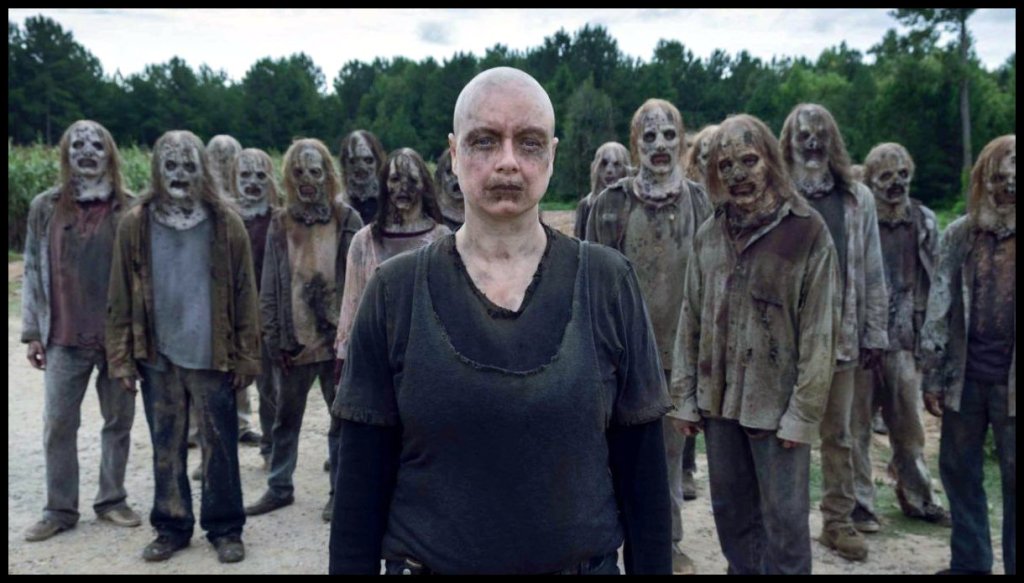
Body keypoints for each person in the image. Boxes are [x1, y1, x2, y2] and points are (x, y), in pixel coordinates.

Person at [329, 67, 672, 575]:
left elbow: (644, 479)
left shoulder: (608, 283)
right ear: (454, 153)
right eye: (484, 141)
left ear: (552, 155)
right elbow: (359, 488)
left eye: (529, 143)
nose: (507, 161)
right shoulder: (394, 292)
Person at [669, 113, 838, 574]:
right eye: (725, 166)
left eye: (748, 160)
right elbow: (691, 318)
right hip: (720, 407)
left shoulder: (808, 232)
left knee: (785, 526)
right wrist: (684, 398)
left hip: (778, 411)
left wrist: (802, 415)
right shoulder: (709, 235)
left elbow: (820, 334)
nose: (738, 174)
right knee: (732, 518)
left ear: (770, 161)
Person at [106, 130, 259, 563]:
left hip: (213, 355)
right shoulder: (135, 223)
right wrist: (121, 358)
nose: (179, 174)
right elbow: (119, 296)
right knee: (166, 446)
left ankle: (225, 528)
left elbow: (245, 293)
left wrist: (247, 356)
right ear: (157, 169)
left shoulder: (226, 223)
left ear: (203, 170)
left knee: (220, 446)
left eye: (189, 166)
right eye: (170, 165)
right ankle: (171, 526)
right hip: (158, 356)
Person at [587, 98, 711, 574]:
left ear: (682, 141)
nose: (660, 145)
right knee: (606, 457)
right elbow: (593, 286)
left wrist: (699, 363)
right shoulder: (611, 204)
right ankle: (602, 548)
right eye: (650, 136)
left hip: (677, 360)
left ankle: (667, 546)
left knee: (666, 463)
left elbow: (708, 285)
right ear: (636, 142)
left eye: (669, 135)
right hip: (618, 359)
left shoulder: (699, 202)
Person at [21, 120, 141, 542]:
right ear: (65, 154)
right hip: (63, 337)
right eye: (77, 145)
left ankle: (112, 500)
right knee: (58, 423)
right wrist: (32, 331)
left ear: (110, 154)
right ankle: (59, 509)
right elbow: (32, 268)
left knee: (118, 421)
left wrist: (140, 337)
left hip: (118, 341)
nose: (87, 152)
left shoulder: (130, 208)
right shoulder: (45, 207)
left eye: (96, 145)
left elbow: (143, 276)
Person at [780, 103, 889, 562]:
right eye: (803, 134)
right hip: (785, 342)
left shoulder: (856, 199)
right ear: (788, 142)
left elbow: (873, 270)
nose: (812, 142)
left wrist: (875, 334)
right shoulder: (777, 194)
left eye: (820, 134)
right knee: (786, 437)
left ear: (833, 141)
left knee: (839, 436)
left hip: (841, 339)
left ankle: (838, 523)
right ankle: (784, 526)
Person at [245, 138, 362, 522]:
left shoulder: (347, 219)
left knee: (341, 419)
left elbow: (362, 280)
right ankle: (279, 486)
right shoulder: (281, 223)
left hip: (337, 342)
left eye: (315, 171)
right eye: (299, 172)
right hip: (294, 342)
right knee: (285, 419)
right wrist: (274, 337)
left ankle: (341, 491)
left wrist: (353, 338)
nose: (308, 179)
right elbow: (268, 287)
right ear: (289, 177)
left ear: (328, 174)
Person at [921, 135, 1015, 576]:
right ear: (982, 180)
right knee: (959, 471)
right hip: (965, 379)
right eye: (1000, 179)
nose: (1008, 189)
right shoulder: (960, 234)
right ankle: (971, 564)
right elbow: (938, 307)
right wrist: (932, 375)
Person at [850, 143, 950, 532]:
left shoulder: (923, 221)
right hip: (862, 342)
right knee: (856, 428)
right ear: (871, 180)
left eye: (902, 174)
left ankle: (919, 498)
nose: (896, 183)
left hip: (905, 341)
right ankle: (860, 505)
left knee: (909, 429)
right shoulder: (859, 218)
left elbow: (938, 281)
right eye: (886, 176)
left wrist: (932, 341)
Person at [334, 148, 449, 381]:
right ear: (385, 184)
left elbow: (449, 305)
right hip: (374, 356)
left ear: (424, 185)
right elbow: (351, 303)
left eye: (412, 180)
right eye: (395, 179)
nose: (403, 187)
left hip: (427, 359)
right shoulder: (364, 241)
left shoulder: (442, 239)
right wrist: (343, 356)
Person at [573, 142, 629, 240]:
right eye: (604, 164)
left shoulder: (634, 205)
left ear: (625, 169)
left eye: (616, 164)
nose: (609, 170)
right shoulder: (586, 206)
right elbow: (578, 243)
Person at [338, 130, 387, 225]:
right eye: (353, 161)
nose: (361, 167)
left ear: (378, 162)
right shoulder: (337, 206)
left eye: (368, 160)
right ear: (344, 164)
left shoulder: (389, 204)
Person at [433, 149, 465, 230]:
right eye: (449, 172)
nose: (456, 177)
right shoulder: (433, 216)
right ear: (439, 177)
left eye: (461, 170)